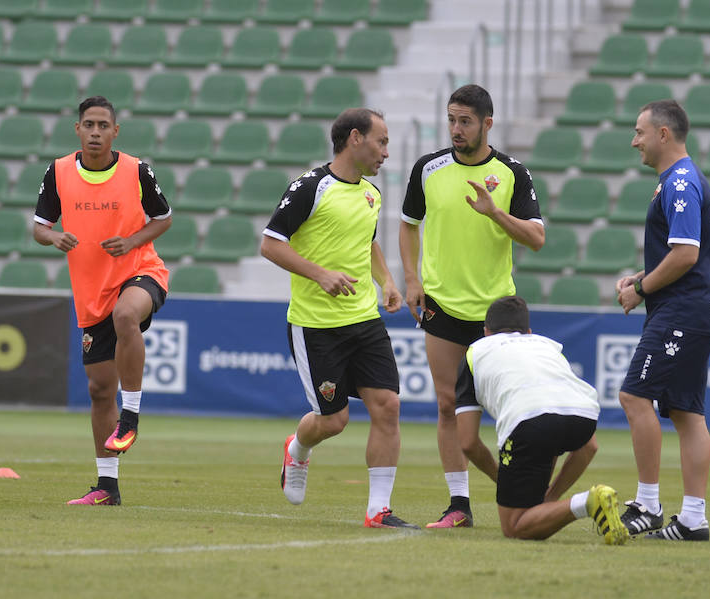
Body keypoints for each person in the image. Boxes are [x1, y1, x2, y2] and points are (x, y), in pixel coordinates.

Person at [261, 108, 418, 529]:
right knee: (334, 421)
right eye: (381, 141)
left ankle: (378, 511)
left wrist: (386, 281)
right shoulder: (310, 187)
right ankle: (297, 449)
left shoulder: (372, 194)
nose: (386, 152)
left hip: (364, 320)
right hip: (315, 325)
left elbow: (367, 243)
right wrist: (321, 274)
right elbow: (270, 245)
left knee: (387, 406)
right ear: (355, 138)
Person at [399, 84, 546, 528]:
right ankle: (459, 505)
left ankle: (524, 493)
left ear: (487, 123)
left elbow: (536, 239)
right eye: (451, 119)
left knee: (513, 408)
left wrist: (494, 213)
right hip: (442, 306)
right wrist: (411, 279)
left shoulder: (513, 173)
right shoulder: (428, 168)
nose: (456, 129)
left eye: (465, 121)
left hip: (498, 314)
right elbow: (408, 226)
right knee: (448, 407)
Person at [33, 96, 172, 506]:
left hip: (141, 273)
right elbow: (40, 227)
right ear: (78, 129)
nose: (95, 132)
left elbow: (163, 218)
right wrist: (54, 236)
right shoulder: (58, 172)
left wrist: (131, 241)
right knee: (97, 390)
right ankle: (107, 487)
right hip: (91, 290)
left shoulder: (137, 170)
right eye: (88, 125)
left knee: (126, 314)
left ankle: (130, 416)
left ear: (115, 132)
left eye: (103, 126)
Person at [615, 99, 710, 541]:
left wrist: (640, 290)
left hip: (681, 311)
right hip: (696, 310)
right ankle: (693, 519)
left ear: (663, 134)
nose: (634, 140)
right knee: (685, 413)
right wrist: (641, 275)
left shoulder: (679, 182)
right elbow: (684, 255)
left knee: (633, 397)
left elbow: (686, 255)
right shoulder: (681, 180)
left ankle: (648, 504)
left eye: (640, 131)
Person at [455, 296, 628, 544]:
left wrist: (502, 479)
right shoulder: (547, 346)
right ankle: (558, 504)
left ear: (485, 332)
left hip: (529, 422)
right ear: (528, 331)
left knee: (514, 527)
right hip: (583, 416)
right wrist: (551, 496)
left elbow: (468, 442)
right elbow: (589, 447)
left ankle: (588, 503)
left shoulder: (475, 352)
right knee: (549, 446)